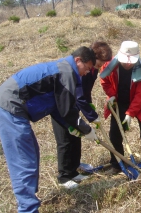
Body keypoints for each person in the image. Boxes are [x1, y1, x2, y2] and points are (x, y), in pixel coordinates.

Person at [0, 47, 98, 212]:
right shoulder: (66, 72)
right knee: (23, 159)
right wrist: (86, 129)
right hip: (10, 106)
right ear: (78, 61)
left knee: (32, 152)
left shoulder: (64, 69)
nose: (87, 73)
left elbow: (56, 107)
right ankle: (28, 208)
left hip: (13, 105)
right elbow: (67, 109)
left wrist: (71, 127)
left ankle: (28, 198)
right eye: (87, 68)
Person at [51, 41, 112, 189]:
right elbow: (78, 96)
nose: (98, 68)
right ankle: (64, 176)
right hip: (61, 107)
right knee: (65, 141)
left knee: (75, 137)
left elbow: (86, 91)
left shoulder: (91, 69)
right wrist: (91, 116)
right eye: (98, 65)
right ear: (92, 58)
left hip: (73, 106)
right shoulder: (79, 69)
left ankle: (74, 169)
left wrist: (89, 105)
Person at [99, 41, 141, 175]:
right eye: (125, 61)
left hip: (140, 103)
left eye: (130, 62)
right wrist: (112, 95)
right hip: (119, 101)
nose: (127, 64)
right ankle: (117, 163)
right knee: (115, 133)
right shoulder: (109, 67)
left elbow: (140, 95)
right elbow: (104, 81)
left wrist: (131, 113)